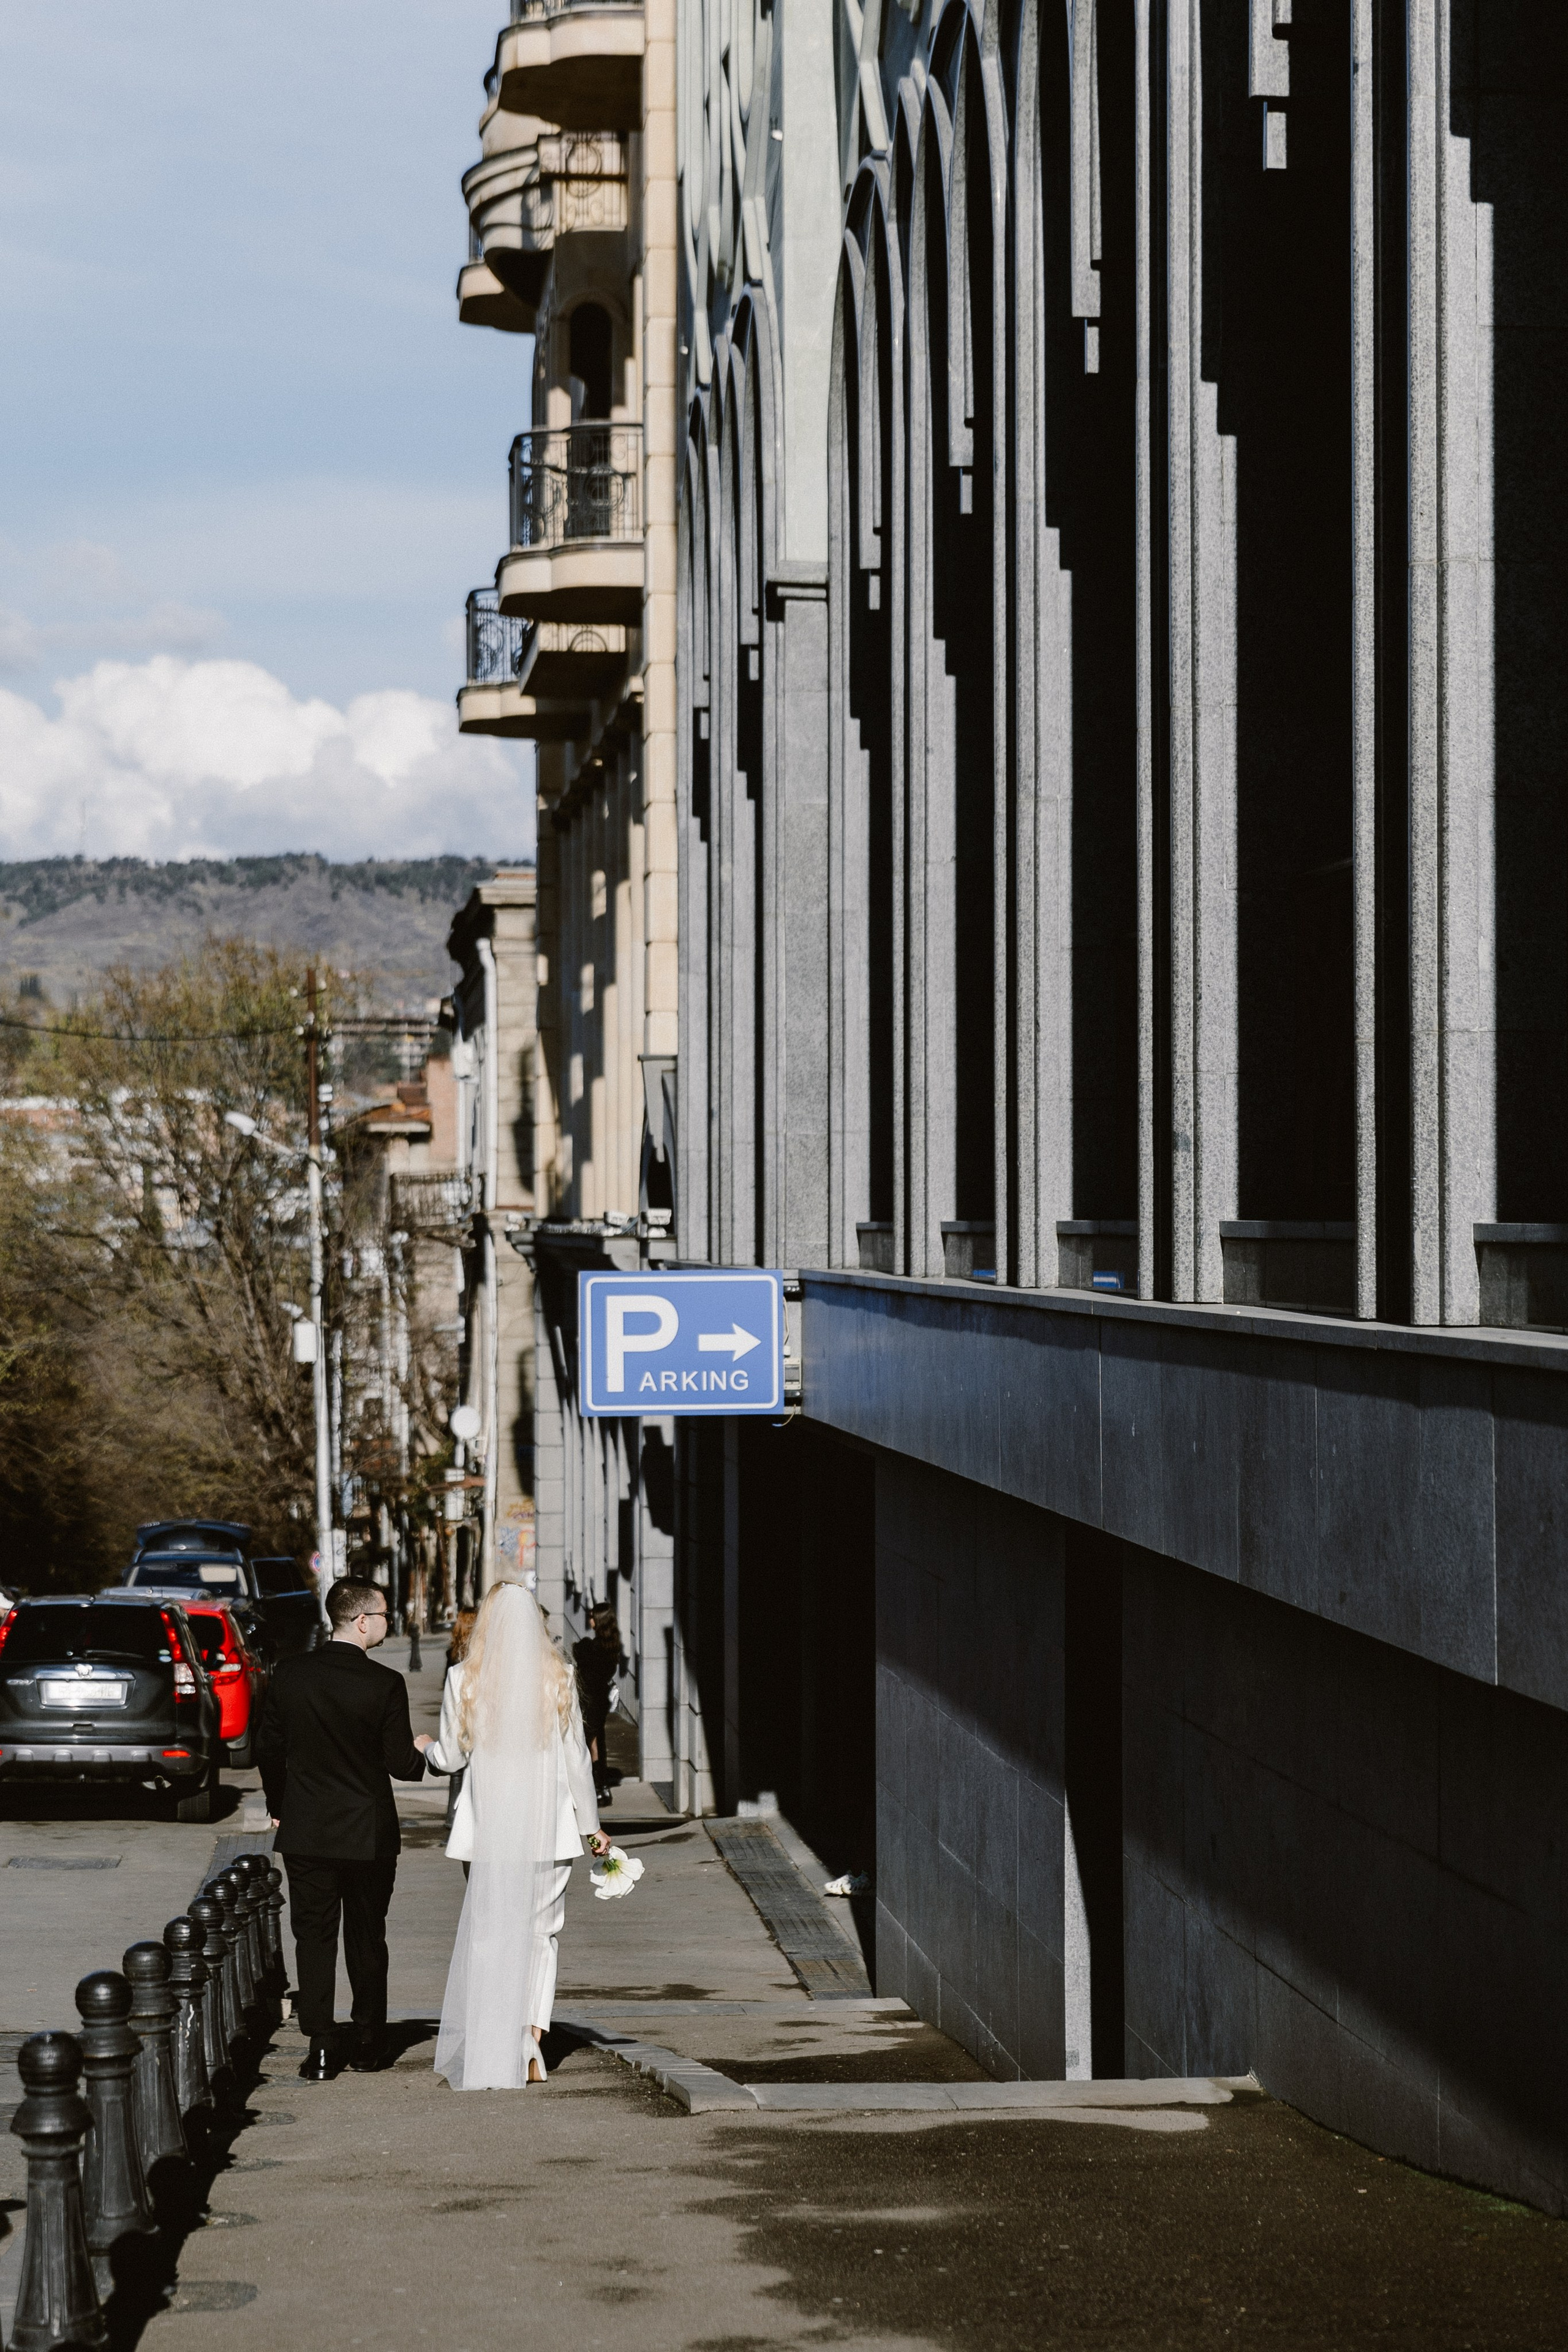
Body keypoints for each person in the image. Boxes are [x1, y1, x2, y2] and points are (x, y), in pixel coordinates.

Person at [429, 1578, 609, 2089]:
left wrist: (425, 1750)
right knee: (540, 1936)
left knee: (491, 1934)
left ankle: (495, 2038)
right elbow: (577, 1762)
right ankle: (530, 2037)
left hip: (486, 1832)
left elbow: (451, 1757)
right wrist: (592, 1828)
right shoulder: (558, 1677)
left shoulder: (464, 1678)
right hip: (549, 1834)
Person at [255, 1578, 433, 2082]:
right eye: (384, 1615)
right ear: (361, 1621)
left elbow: (267, 1748)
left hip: (307, 1829)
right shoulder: (384, 1683)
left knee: (313, 1938)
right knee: (366, 1936)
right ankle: (369, 2042)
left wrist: (279, 1805)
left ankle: (321, 2045)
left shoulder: (290, 1675)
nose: (388, 1622)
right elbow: (401, 1766)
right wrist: (422, 1749)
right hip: (367, 1833)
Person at [573, 1605, 625, 1805]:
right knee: (596, 1742)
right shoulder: (611, 1646)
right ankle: (601, 1788)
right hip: (600, 1699)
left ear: (600, 1620)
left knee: (591, 1743)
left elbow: (582, 1659)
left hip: (591, 1701)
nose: (590, 1620)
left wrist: (581, 1647)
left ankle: (599, 1787)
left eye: (592, 1617)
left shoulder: (595, 1648)